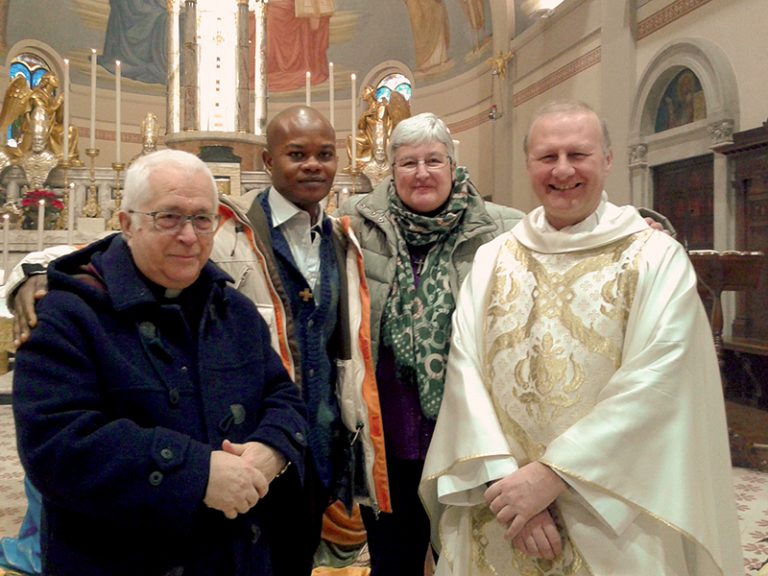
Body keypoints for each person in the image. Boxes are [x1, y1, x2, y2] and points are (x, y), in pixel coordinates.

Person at [5, 106, 386, 576]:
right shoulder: (69, 313)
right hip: (119, 555)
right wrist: (197, 473)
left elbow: (282, 394)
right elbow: (55, 445)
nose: (189, 235)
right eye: (169, 217)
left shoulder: (236, 307)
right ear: (127, 223)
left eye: (202, 219)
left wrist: (270, 450)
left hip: (245, 538)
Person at [419, 100, 743, 576]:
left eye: (578, 154)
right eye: (547, 156)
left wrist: (552, 476)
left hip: (614, 511)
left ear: (607, 159)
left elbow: (660, 380)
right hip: (501, 506)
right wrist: (507, 484)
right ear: (528, 163)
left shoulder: (655, 257)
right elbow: (464, 373)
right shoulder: (492, 258)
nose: (563, 170)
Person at [340, 112, 525, 576]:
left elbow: (569, 233)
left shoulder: (502, 227)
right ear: (391, 169)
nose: (421, 173)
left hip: (466, 436)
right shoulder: (357, 223)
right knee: (393, 562)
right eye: (408, 163)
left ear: (453, 165)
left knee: (464, 560)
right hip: (387, 439)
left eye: (433, 160)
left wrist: (647, 225)